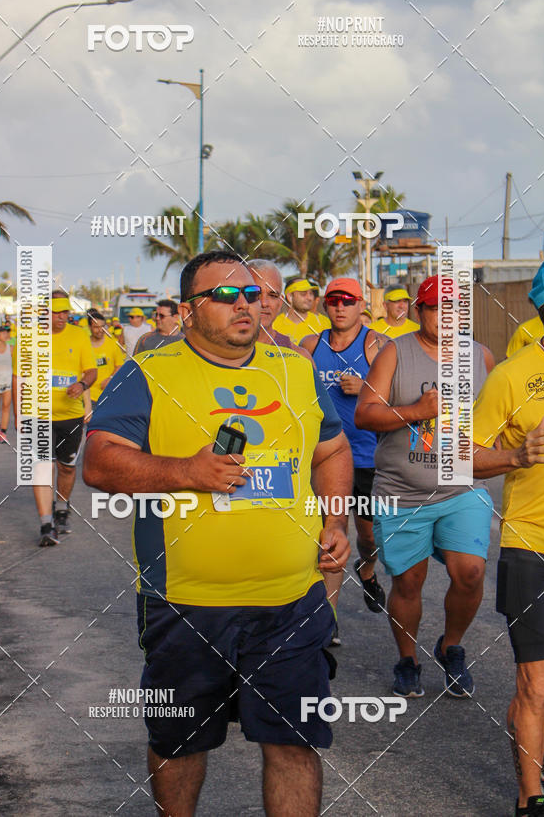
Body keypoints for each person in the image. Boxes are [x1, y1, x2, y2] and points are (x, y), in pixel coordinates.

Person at [84, 251, 352, 817]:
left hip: (292, 600)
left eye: (252, 295)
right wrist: (186, 472)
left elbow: (332, 448)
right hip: (186, 604)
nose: (244, 306)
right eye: (226, 296)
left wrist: (335, 520)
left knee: (295, 744)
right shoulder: (149, 372)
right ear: (188, 310)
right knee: (179, 744)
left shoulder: (295, 370)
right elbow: (100, 463)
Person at [355, 275, 495, 698]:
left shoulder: (481, 357)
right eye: (435, 308)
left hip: (460, 490)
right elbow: (364, 414)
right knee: (408, 582)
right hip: (403, 491)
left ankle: (451, 647)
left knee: (470, 572)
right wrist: (416, 410)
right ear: (419, 311)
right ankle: (408, 659)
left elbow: (499, 421)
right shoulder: (396, 352)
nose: (444, 318)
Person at [472, 260, 544, 817]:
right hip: (532, 545)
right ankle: (531, 797)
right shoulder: (513, 376)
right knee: (536, 685)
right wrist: (518, 455)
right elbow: (463, 458)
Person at [301, 277, 388, 629]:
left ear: (361, 306)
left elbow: (401, 396)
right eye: (334, 300)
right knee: (328, 536)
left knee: (368, 537)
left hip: (366, 458)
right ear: (325, 305)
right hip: (323, 457)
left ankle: (367, 569)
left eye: (348, 301)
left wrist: (366, 386)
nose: (340, 307)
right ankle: (328, 620)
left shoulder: (378, 345)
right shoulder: (310, 345)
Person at [13, 291, 97, 546]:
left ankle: (62, 508)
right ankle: (46, 525)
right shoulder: (28, 338)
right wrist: (19, 416)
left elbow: (91, 370)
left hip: (70, 417)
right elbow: (18, 379)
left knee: (66, 467)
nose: (63, 317)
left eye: (66, 313)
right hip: (38, 415)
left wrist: (82, 385)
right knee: (42, 466)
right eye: (57, 312)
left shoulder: (78, 335)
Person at [248, 260, 312, 358]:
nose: (264, 303)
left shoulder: (298, 357)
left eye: (273, 295)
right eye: (255, 293)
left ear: (280, 302)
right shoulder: (219, 353)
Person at [83, 308, 125, 418]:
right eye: (96, 327)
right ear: (90, 327)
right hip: (88, 396)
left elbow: (119, 365)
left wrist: (110, 378)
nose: (100, 330)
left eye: (103, 327)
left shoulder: (112, 344)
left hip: (107, 395)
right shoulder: (83, 345)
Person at [272, 278, 330, 344]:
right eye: (303, 294)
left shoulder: (324, 323)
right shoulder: (274, 325)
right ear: (290, 297)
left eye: (311, 293)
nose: (309, 298)